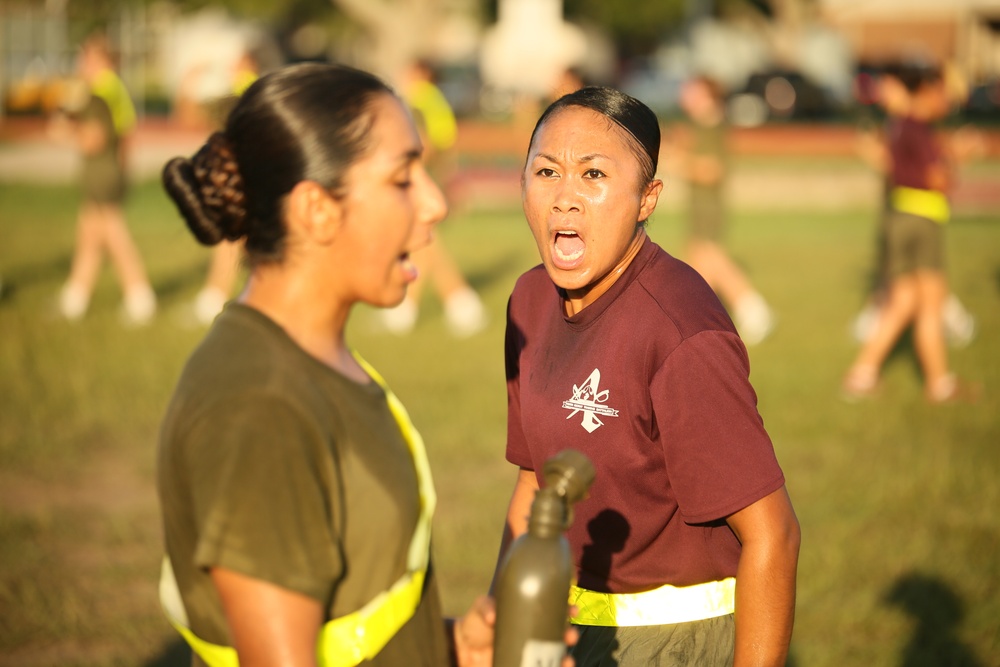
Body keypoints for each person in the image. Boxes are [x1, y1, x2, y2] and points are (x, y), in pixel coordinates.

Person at [158, 63, 575, 667]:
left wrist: (449, 647)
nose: (433, 204)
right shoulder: (259, 405)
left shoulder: (312, 359)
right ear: (317, 210)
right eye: (403, 177)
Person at [494, 86, 800, 666]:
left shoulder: (682, 331)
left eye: (593, 174)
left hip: (675, 639)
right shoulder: (528, 301)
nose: (565, 198)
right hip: (564, 625)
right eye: (547, 171)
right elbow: (533, 479)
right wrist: (503, 622)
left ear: (646, 198)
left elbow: (773, 537)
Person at [842, 66, 976, 403]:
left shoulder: (900, 125)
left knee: (904, 301)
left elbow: (891, 164)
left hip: (900, 218)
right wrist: (958, 163)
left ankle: (862, 375)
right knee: (931, 301)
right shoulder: (918, 127)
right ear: (925, 91)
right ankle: (940, 384)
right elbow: (937, 180)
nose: (943, 100)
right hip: (922, 220)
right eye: (939, 92)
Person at [379, 60, 487, 338]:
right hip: (432, 175)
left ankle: (435, 305)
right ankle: (457, 302)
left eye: (410, 71)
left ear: (422, 73)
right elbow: (445, 141)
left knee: (423, 242)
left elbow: (424, 142)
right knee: (425, 245)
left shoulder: (420, 99)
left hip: (420, 178)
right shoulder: (434, 100)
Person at [56, 33, 156, 325]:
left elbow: (95, 137)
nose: (81, 63)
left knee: (112, 233)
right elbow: (126, 133)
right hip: (108, 168)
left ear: (100, 59)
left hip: (102, 169)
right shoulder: (114, 87)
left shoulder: (101, 89)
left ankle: (140, 296)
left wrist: (67, 131)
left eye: (85, 57)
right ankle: (76, 297)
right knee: (89, 233)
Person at [675, 75, 774, 346]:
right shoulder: (699, 126)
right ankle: (702, 322)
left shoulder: (713, 125)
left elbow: (713, 170)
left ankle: (754, 310)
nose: (685, 97)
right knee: (699, 265)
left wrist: (680, 160)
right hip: (699, 205)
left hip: (710, 205)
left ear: (706, 95)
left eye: (691, 91)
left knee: (713, 260)